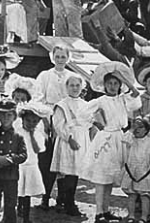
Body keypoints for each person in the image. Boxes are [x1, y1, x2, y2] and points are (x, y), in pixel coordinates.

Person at [81, 62, 142, 223]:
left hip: (119, 139)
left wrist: (123, 77)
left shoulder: (123, 99)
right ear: (104, 85)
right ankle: (98, 212)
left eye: (116, 83)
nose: (113, 86)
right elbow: (83, 114)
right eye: (110, 83)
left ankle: (106, 210)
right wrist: (95, 122)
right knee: (102, 177)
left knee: (109, 178)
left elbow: (135, 93)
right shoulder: (100, 100)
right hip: (106, 139)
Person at [35, 45, 76, 210]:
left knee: (64, 158)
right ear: (52, 57)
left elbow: (74, 97)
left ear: (68, 58)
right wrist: (45, 121)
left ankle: (63, 197)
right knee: (47, 160)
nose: (60, 60)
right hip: (48, 116)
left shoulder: (72, 76)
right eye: (57, 57)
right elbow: (38, 98)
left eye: (63, 57)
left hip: (65, 118)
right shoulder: (45, 76)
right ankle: (45, 197)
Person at [50, 74, 92, 216]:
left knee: (75, 172)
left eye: (77, 85)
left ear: (82, 87)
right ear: (66, 87)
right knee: (68, 172)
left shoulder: (85, 104)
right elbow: (58, 125)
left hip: (82, 138)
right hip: (68, 139)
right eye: (71, 85)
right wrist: (69, 139)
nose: (75, 88)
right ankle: (69, 203)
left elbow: (89, 123)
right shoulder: (62, 104)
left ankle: (63, 199)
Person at [0, 99, 28, 223]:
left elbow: (23, 155)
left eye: (9, 114)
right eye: (2, 114)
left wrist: (10, 159)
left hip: (11, 176)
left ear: (15, 117)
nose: (6, 118)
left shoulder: (18, 137)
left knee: (10, 205)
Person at [15, 102, 50, 223]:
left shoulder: (38, 134)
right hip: (19, 166)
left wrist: (32, 135)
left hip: (31, 166)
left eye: (34, 121)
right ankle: (18, 208)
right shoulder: (17, 131)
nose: (31, 124)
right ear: (23, 119)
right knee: (19, 190)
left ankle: (26, 217)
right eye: (28, 121)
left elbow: (37, 149)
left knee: (27, 193)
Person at [121, 117, 150, 223]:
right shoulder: (130, 139)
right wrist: (132, 129)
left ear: (146, 130)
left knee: (145, 195)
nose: (137, 129)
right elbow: (124, 139)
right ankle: (131, 216)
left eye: (140, 127)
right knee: (132, 195)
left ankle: (144, 217)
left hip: (144, 171)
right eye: (135, 127)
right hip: (131, 170)